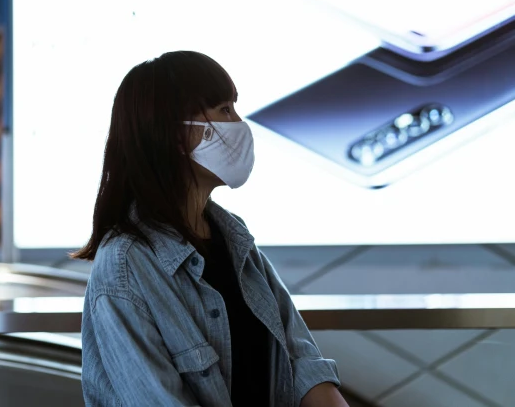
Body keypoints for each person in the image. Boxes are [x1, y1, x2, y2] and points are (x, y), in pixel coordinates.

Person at [74, 51, 345, 407]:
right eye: (224, 110)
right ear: (174, 135)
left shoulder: (233, 238)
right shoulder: (125, 266)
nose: (239, 125)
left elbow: (301, 363)